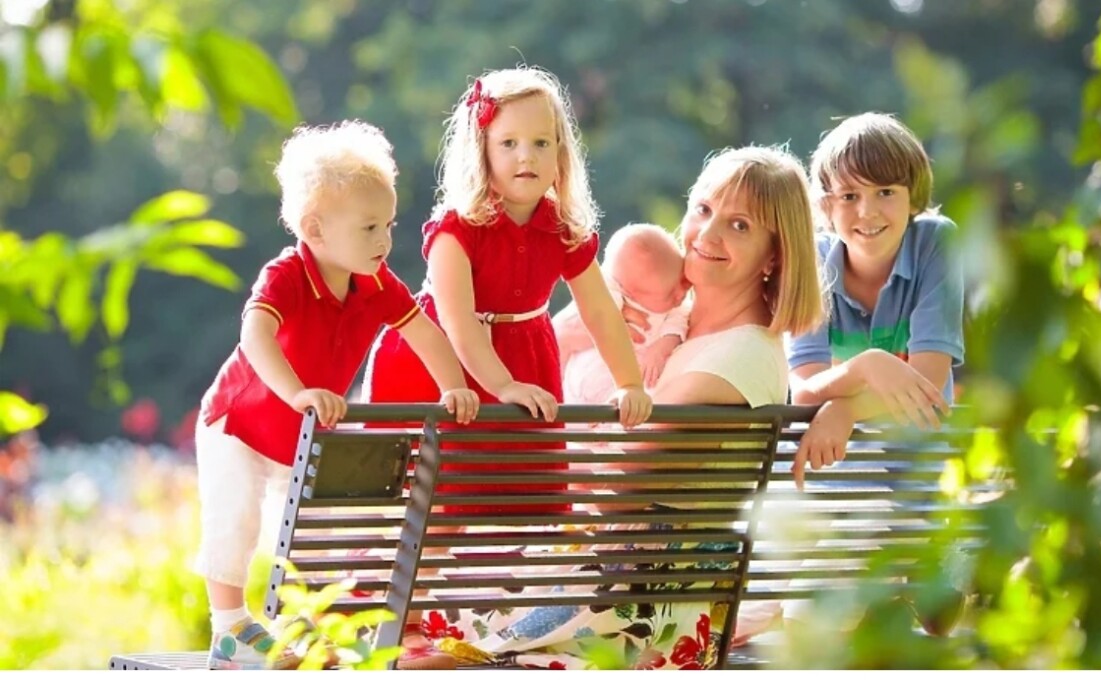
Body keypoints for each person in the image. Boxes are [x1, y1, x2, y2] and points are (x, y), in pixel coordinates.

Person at [430, 144, 829, 669]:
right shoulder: (674, 325)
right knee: (414, 600)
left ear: (775, 254)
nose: (706, 235)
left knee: (416, 614)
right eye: (703, 210)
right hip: (610, 583)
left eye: (739, 226)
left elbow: (616, 482)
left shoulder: (739, 354)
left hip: (635, 609)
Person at [193, 120, 479, 670]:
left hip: (297, 436)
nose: (385, 241)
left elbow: (421, 330)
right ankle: (227, 629)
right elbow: (254, 336)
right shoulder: (288, 274)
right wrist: (298, 391)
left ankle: (299, 629)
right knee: (236, 518)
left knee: (313, 530)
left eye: (389, 225)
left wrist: (455, 387)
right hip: (239, 424)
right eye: (370, 227)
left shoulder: (374, 282)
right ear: (315, 229)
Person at [363, 66, 652, 509]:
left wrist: (630, 382)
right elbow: (457, 323)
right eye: (509, 143)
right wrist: (504, 384)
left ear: (560, 152)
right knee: (437, 508)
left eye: (541, 143)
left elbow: (599, 311)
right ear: (482, 151)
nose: (527, 157)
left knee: (516, 501)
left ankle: (486, 576)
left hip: (525, 357)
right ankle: (412, 577)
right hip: (441, 366)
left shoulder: (562, 228)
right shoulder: (455, 230)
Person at [786, 112, 960, 484]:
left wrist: (845, 409)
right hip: (834, 468)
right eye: (849, 195)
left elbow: (926, 386)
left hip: (917, 475)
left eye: (885, 192)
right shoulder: (811, 259)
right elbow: (802, 392)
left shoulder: (935, 243)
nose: (867, 211)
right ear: (827, 207)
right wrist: (866, 367)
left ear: (913, 197)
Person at [555, 222, 690, 403]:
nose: (679, 296)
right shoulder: (611, 293)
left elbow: (678, 323)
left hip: (626, 393)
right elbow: (588, 315)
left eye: (680, 285)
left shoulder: (675, 308)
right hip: (578, 384)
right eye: (668, 295)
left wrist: (662, 347)